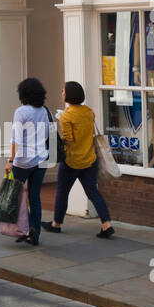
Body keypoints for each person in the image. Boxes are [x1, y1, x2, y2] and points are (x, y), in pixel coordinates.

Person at [43, 81, 115, 238]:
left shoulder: (67, 116)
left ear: (69, 95)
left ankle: (56, 224)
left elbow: (68, 140)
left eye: (63, 91)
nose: (62, 93)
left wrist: (58, 141)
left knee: (62, 192)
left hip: (72, 161)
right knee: (93, 192)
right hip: (90, 159)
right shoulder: (89, 111)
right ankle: (106, 224)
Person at [5, 77, 52, 246]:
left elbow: (15, 139)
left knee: (16, 196)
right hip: (41, 159)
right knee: (35, 196)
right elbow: (47, 135)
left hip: (23, 161)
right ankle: (35, 232)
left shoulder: (21, 112)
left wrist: (10, 160)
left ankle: (24, 229)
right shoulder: (44, 111)